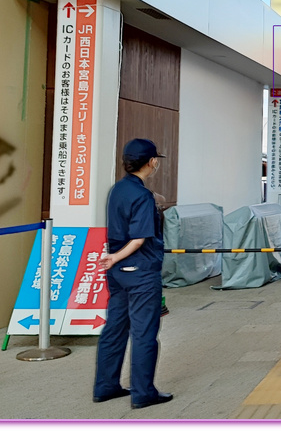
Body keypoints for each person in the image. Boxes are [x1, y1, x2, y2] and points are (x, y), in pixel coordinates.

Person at [93, 138, 172, 409]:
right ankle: (143, 392)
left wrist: (113, 258)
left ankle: (106, 386)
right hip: (139, 271)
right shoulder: (140, 195)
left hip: (117, 275)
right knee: (144, 332)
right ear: (151, 162)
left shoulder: (119, 189)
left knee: (115, 328)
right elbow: (139, 238)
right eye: (156, 160)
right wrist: (116, 256)